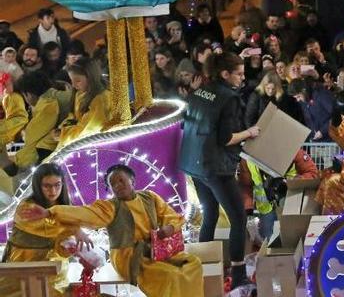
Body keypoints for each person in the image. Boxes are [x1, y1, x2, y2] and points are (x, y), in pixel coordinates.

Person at [22, 164, 203, 297]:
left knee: (192, 264)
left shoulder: (150, 197)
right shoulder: (110, 207)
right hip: (130, 256)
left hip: (158, 251)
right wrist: (50, 212)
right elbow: (86, 213)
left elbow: (171, 216)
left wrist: (168, 229)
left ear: (132, 180)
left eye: (121, 180)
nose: (118, 185)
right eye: (113, 184)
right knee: (169, 276)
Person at [178, 51, 257, 291]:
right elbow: (227, 138)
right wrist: (250, 133)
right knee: (238, 218)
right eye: (239, 74)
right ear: (225, 74)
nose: (242, 79)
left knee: (210, 213)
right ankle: (239, 273)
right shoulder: (229, 98)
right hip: (215, 167)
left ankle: (203, 268)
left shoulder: (201, 89)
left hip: (194, 163)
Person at [0, 163, 92, 297]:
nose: (53, 191)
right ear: (38, 186)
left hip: (55, 267)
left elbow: (62, 241)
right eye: (47, 186)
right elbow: (49, 229)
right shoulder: (26, 207)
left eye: (57, 185)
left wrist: (69, 249)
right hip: (24, 265)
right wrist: (75, 229)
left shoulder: (65, 206)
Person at [1, 72, 73, 176]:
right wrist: (9, 151)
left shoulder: (47, 105)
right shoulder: (50, 99)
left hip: (40, 159)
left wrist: (14, 161)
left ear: (28, 94)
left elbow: (30, 140)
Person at [315, 108, 344, 215]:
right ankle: (322, 218)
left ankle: (332, 220)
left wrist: (343, 165)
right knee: (325, 176)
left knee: (332, 181)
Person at [56, 58, 114, 146]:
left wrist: (64, 134)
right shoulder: (79, 94)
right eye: (71, 81)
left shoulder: (102, 99)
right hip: (74, 134)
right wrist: (62, 128)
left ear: (91, 78)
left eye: (78, 81)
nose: (73, 85)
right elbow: (73, 117)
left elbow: (90, 130)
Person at [0, 72, 27, 147]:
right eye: (4, 85)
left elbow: (20, 120)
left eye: (9, 84)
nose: (8, 87)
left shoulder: (14, 98)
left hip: (12, 139)